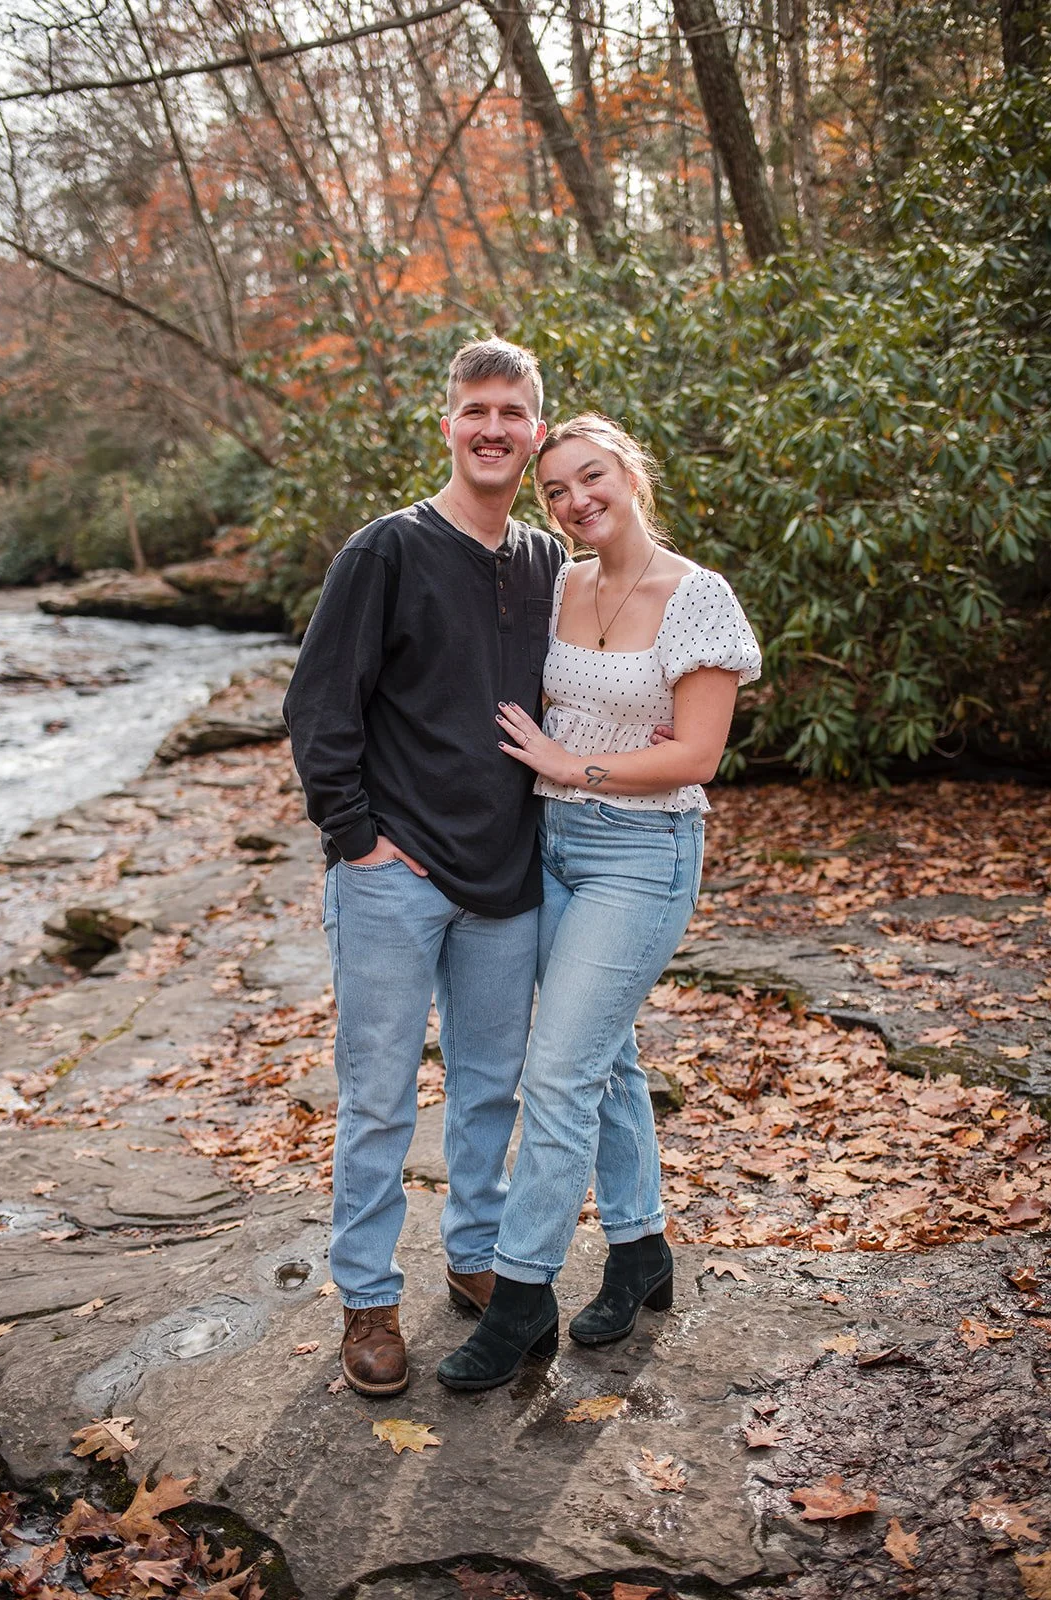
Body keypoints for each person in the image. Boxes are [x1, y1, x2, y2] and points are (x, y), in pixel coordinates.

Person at [437, 414, 762, 1392]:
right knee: (605, 1055)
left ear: (630, 471)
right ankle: (639, 1248)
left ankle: (525, 1285)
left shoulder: (698, 597)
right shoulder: (558, 584)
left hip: (643, 852)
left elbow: (697, 754)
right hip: (552, 847)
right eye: (557, 492)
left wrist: (571, 760)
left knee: (561, 1069)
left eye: (592, 477)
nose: (577, 500)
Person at [283, 338, 565, 1397]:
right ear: (447, 422)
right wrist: (354, 834)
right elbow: (319, 706)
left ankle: (474, 1257)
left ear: (536, 431)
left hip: (508, 879)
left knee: (492, 1087)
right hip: (394, 877)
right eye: (475, 409)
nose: (493, 428)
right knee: (381, 1097)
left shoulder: (545, 562)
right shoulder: (385, 552)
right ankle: (366, 1295)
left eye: (513, 412)